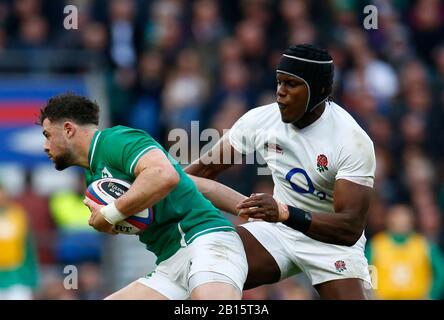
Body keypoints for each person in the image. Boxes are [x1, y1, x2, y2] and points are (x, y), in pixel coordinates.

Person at [186, 44, 376, 299]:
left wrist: (286, 213)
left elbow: (350, 227)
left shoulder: (352, 141)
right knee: (205, 268)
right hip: (279, 231)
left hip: (331, 243)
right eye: (278, 82)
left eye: (291, 84)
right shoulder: (260, 120)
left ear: (320, 90)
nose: (280, 93)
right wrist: (151, 190)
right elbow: (203, 171)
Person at [38, 93, 247, 300]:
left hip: (205, 240)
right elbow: (191, 183)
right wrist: (247, 207)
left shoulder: (115, 140)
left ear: (68, 129)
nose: (45, 146)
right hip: (170, 262)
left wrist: (110, 213)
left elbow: (165, 175)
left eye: (47, 135)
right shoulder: (93, 175)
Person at [366, 204, 444, 300]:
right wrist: (371, 295)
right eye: (397, 218)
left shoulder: (424, 245)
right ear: (389, 220)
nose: (401, 222)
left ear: (412, 221)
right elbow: (365, 272)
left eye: (404, 218)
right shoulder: (376, 245)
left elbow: (441, 272)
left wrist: (431, 295)